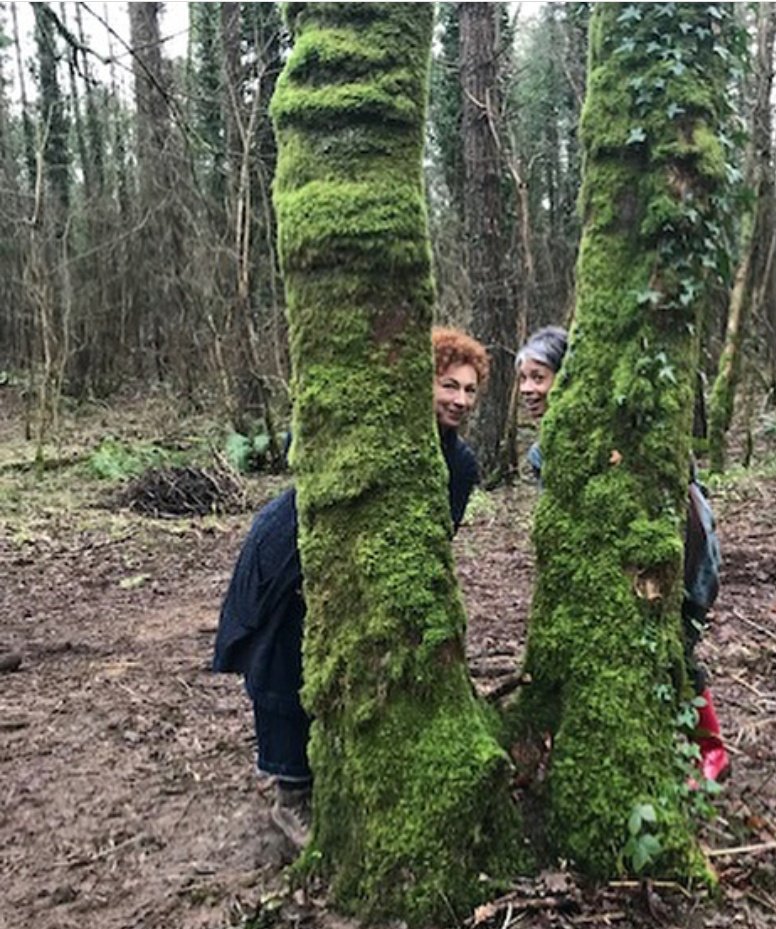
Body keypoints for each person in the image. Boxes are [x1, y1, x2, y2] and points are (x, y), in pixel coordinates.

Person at [213, 327, 490, 847]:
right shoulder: (376, 426)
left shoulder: (460, 464)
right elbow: (305, 445)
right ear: (420, 384)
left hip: (365, 573)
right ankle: (291, 793)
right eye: (447, 385)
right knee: (281, 661)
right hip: (292, 547)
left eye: (469, 390)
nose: (459, 399)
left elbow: (436, 538)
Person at [514, 325, 730, 781]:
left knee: (675, 643)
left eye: (539, 376)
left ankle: (711, 750)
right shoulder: (544, 451)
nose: (529, 389)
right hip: (622, 564)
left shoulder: (607, 428)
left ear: (565, 377)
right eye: (523, 378)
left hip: (684, 547)